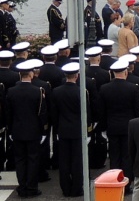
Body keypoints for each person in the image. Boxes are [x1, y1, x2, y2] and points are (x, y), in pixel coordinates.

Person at [8, 60, 48, 198]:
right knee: (32, 160)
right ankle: (31, 187)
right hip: (33, 131)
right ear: (31, 74)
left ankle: (22, 186)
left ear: (20, 74)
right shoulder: (38, 91)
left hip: (17, 131)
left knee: (20, 160)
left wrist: (10, 129)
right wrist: (43, 131)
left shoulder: (11, 91)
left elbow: (9, 113)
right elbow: (41, 113)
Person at [50, 62, 90, 197]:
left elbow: (54, 113)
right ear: (77, 76)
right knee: (77, 161)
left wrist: (56, 129)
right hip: (78, 130)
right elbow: (86, 113)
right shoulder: (82, 92)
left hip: (63, 129)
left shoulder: (56, 91)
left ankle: (65, 188)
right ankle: (77, 188)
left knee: (64, 161)